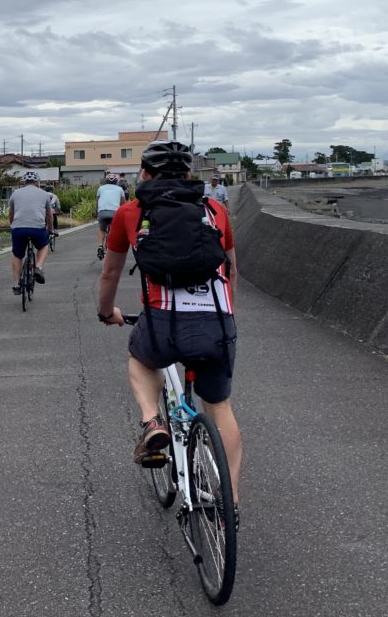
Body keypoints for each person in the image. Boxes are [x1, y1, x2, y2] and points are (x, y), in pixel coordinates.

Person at [95, 141, 243, 515]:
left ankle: (152, 422)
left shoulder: (131, 212)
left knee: (141, 358)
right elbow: (230, 270)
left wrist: (105, 311)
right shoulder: (215, 210)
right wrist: (228, 314)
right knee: (220, 406)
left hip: (164, 322)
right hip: (217, 321)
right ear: (191, 176)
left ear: (144, 174)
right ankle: (231, 503)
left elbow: (110, 271)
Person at [8, 171, 53, 293]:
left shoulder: (15, 194)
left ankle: (17, 283)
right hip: (37, 228)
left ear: (24, 182)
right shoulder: (44, 194)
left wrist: (12, 225)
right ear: (37, 182)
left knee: (17, 255)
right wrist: (50, 229)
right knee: (44, 245)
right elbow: (49, 215)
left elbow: (11, 213)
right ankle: (38, 267)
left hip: (18, 228)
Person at [95, 173, 127, 260]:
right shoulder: (120, 189)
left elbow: (97, 201)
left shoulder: (100, 188)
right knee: (114, 230)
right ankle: (112, 247)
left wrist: (96, 212)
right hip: (114, 213)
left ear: (106, 181)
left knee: (102, 230)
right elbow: (123, 204)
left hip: (102, 212)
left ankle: (100, 246)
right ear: (116, 181)